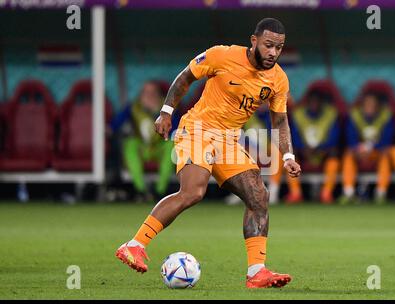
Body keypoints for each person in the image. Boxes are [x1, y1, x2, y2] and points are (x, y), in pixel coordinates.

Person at [115, 18, 301, 288]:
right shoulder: (222, 55)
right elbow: (185, 78)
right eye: (268, 45)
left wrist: (287, 157)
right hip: (197, 131)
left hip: (228, 141)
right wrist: (166, 112)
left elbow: (280, 121)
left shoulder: (278, 80)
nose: (273, 52)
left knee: (259, 196)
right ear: (254, 41)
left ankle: (256, 272)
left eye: (279, 47)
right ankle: (134, 245)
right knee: (193, 192)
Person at [110, 81, 175, 201]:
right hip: (142, 148)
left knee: (172, 145)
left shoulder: (167, 108)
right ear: (141, 95)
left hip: (159, 147)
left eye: (152, 92)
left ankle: (159, 191)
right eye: (146, 92)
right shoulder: (134, 107)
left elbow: (178, 128)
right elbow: (114, 124)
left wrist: (157, 114)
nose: (149, 95)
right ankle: (141, 190)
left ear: (159, 95)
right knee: (130, 144)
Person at [339, 92, 394, 204]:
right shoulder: (355, 116)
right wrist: (358, 148)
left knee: (386, 155)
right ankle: (348, 192)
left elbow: (387, 139)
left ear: (378, 106)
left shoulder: (386, 116)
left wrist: (370, 148)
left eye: (373, 105)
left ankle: (381, 193)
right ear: (362, 105)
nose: (370, 107)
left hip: (377, 152)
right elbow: (350, 137)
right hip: (359, 152)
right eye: (367, 104)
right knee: (348, 154)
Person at [291, 89, 340, 203]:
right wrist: (303, 149)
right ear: (307, 103)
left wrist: (321, 149)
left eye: (317, 102)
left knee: (334, 155)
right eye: (312, 102)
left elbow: (334, 137)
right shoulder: (298, 114)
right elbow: (293, 135)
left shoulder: (331, 114)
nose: (314, 105)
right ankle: (295, 193)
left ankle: (326, 193)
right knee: (290, 157)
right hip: (303, 152)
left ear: (322, 103)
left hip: (324, 152)